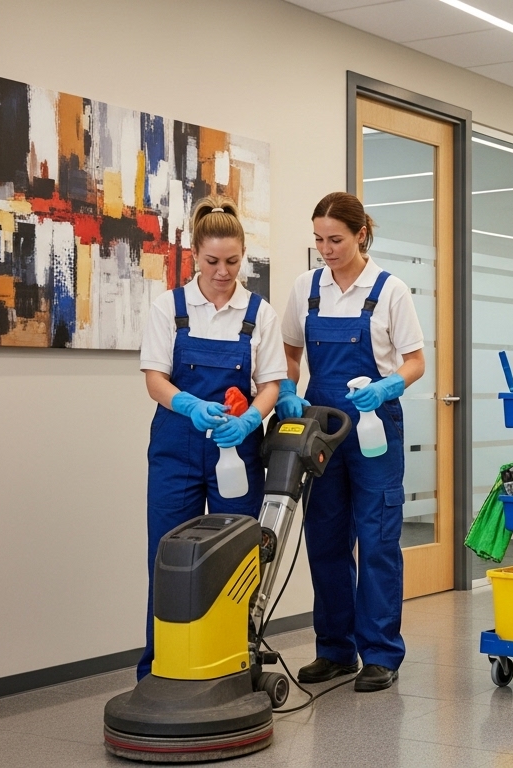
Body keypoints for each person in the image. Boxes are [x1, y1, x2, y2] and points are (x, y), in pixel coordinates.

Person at [278, 192, 425, 691]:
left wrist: (388, 385)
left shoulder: (390, 290)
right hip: (322, 427)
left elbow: (414, 362)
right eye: (318, 239)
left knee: (378, 539)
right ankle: (336, 650)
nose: (326, 249)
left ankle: (381, 652)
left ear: (361, 234)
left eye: (335, 239)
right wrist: (289, 392)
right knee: (325, 538)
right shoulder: (307, 287)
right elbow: (290, 354)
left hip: (375, 428)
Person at [136, 196, 283, 680]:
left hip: (236, 451)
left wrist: (249, 421)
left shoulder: (258, 313)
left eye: (234, 262)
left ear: (245, 257)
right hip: (177, 450)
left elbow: (271, 386)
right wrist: (189, 405)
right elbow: (155, 379)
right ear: (194, 254)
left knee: (237, 560)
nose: (223, 272)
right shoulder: (169, 307)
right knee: (169, 556)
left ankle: (235, 668)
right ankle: (161, 669)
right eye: (213, 261)